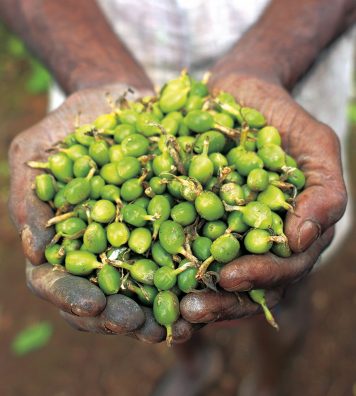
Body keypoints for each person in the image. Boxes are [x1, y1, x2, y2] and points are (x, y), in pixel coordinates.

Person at [1, 0, 355, 394]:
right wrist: (94, 71)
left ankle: (270, 381)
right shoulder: (127, 178)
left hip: (287, 55)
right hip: (99, 49)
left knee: (286, 275)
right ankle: (195, 362)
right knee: (172, 312)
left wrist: (264, 62)